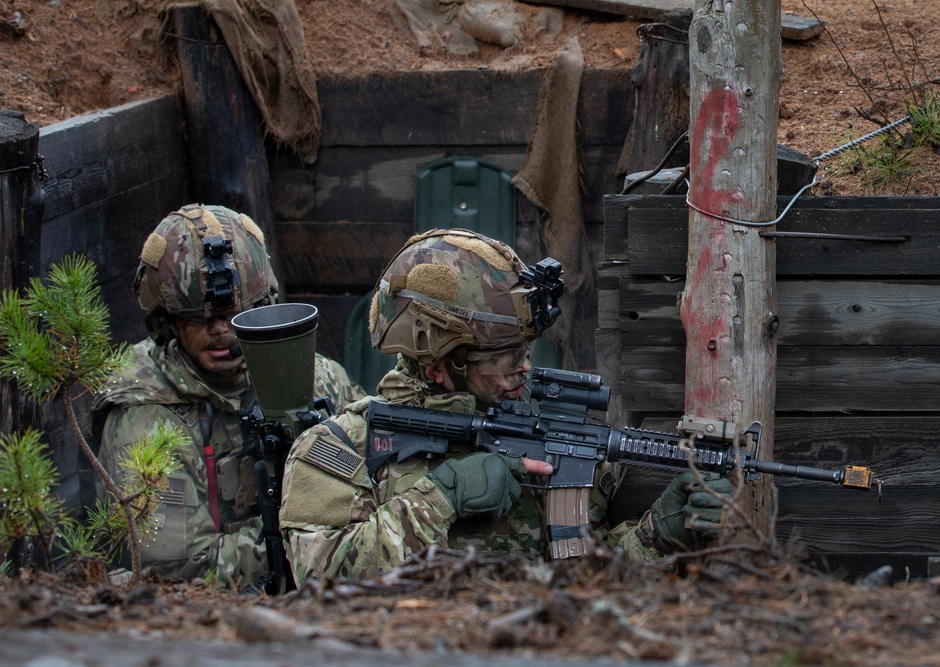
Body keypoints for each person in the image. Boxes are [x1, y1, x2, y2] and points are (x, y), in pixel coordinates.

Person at [278, 228, 732, 585]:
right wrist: (442, 496)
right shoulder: (340, 450)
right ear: (439, 365)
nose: (525, 369)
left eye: (526, 351)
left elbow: (582, 594)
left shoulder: (548, 436)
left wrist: (658, 536)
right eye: (507, 358)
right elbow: (320, 581)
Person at [92, 203, 366, 591]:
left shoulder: (311, 377)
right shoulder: (145, 416)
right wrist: (316, 545)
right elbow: (179, 568)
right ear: (167, 319)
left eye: (235, 315)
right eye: (200, 319)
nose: (220, 331)